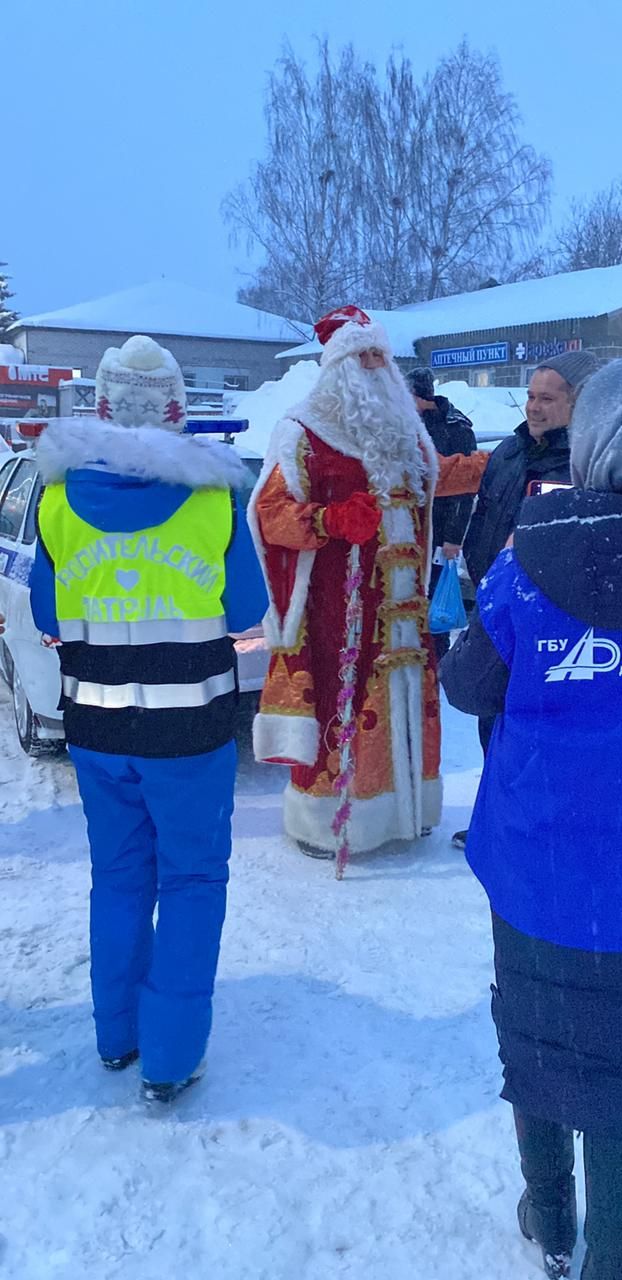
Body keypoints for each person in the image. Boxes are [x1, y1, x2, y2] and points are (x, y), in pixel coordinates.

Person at [441, 356, 622, 1279]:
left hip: (535, 868)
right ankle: (612, 1256)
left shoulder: (528, 565)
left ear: (590, 442)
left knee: (539, 1037)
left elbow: (468, 681)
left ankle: (551, 1221)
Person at [29, 335, 267, 1102]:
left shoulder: (60, 496)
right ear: (177, 411)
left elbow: (44, 608)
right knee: (193, 880)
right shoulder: (213, 496)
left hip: (96, 727)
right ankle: (170, 1058)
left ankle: (116, 1035)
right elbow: (245, 608)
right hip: (191, 730)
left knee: (120, 877)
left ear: (100, 407)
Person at [249, 306, 489, 858]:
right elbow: (270, 511)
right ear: (338, 366)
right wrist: (329, 520)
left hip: (404, 603)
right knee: (342, 700)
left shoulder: (404, 428)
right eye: (364, 355)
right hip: (340, 607)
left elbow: (437, 477)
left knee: (407, 694)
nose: (377, 365)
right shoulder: (303, 430)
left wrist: (493, 465)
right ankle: (330, 821)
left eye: (381, 354)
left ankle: (403, 813)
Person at [451, 349, 599, 849]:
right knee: (490, 721)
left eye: (547, 399)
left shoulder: (588, 460)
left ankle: (541, 831)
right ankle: (494, 821)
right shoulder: (508, 453)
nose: (534, 408)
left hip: (557, 621)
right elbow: (484, 518)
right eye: (531, 397)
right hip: (498, 612)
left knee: (541, 732)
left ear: (578, 402)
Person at [406, 367, 477, 661]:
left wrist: (452, 538)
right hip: (409, 529)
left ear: (419, 396)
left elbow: (465, 486)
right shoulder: (406, 423)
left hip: (439, 532)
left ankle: (436, 664)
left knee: (435, 603)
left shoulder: (456, 428)